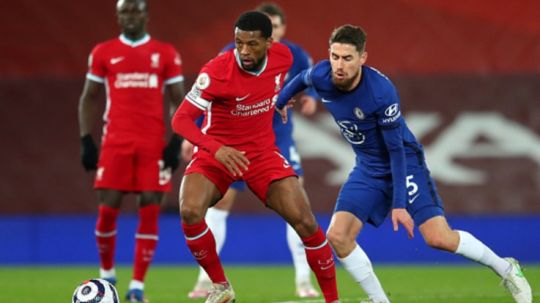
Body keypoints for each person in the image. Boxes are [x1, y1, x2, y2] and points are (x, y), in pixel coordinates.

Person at [276, 24, 533, 303]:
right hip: (368, 166)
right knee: (338, 237)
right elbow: (302, 78)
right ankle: (380, 301)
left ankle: (507, 269)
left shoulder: (380, 92)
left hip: (404, 162)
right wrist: (282, 100)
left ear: (363, 58)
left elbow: (396, 150)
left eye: (347, 58)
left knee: (438, 238)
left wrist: (399, 204)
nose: (339, 65)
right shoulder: (322, 74)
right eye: (335, 56)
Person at [172, 11, 339, 303]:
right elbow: (181, 120)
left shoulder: (284, 57)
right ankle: (221, 286)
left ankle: (332, 299)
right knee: (189, 211)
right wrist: (214, 147)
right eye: (239, 43)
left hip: (262, 154)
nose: (244, 51)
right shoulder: (216, 71)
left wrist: (283, 98)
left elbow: (297, 79)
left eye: (252, 44)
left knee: (306, 222)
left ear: (269, 43)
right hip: (218, 154)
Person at [78, 0, 185, 302]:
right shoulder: (103, 52)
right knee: (108, 207)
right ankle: (107, 274)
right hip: (116, 141)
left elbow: (179, 99)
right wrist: (86, 139)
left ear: (146, 15)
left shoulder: (165, 53)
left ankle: (137, 286)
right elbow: (89, 97)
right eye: (124, 12)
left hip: (152, 142)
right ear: (118, 16)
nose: (130, 17)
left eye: (135, 11)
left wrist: (176, 141)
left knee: (150, 205)